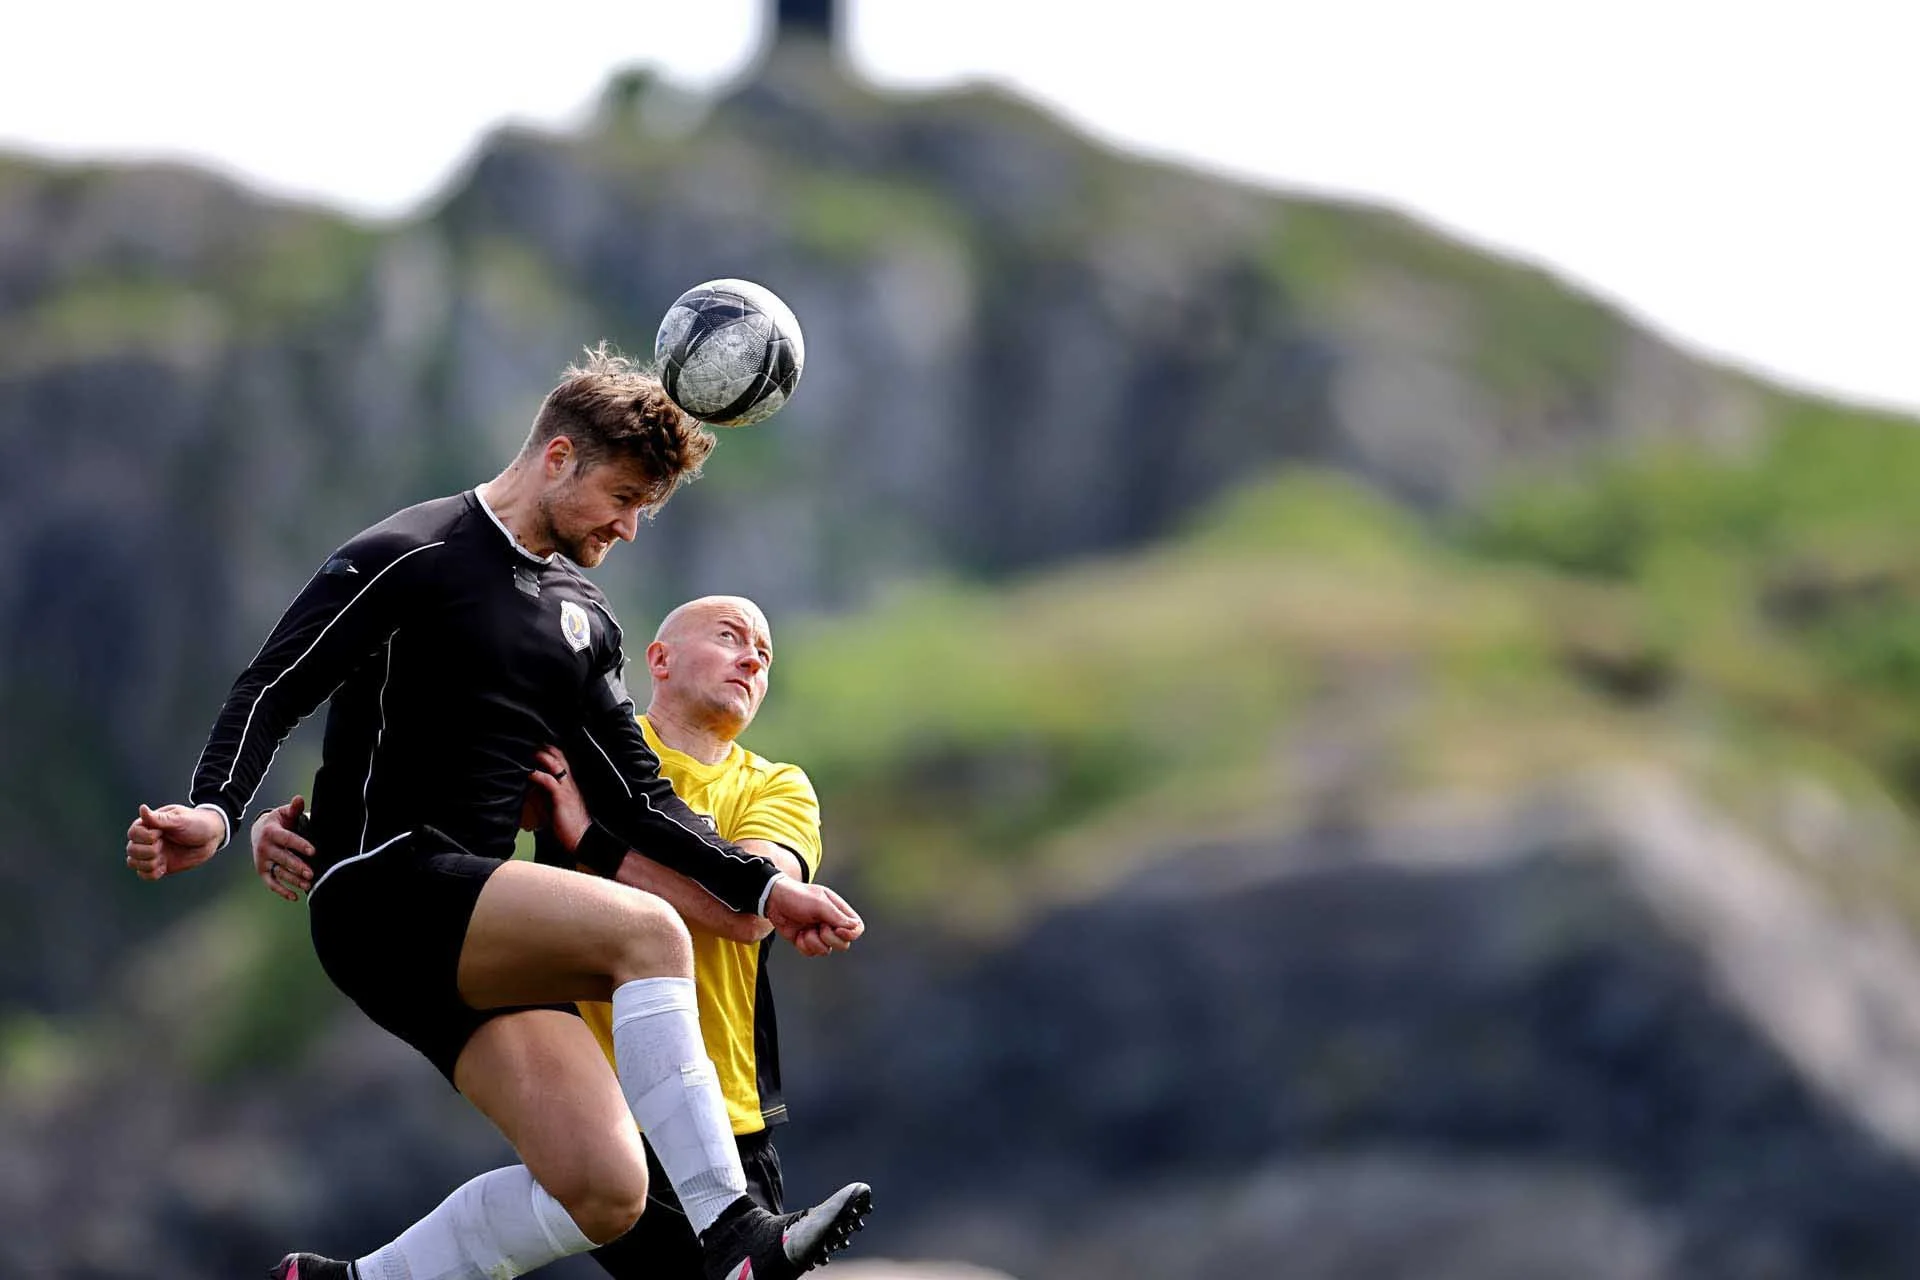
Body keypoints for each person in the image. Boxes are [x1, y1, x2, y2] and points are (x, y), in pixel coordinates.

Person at [124, 346, 872, 1280]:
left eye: (647, 507)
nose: (632, 528)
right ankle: (735, 1234)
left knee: (608, 1187)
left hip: (468, 933)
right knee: (649, 936)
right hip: (384, 891)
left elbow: (640, 799)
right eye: (626, 497)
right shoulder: (409, 553)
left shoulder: (583, 620)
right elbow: (274, 684)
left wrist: (766, 886)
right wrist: (217, 811)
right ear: (558, 458)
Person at [256, 594, 835, 1280]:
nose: (750, 659)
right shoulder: (577, 743)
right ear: (660, 659)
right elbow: (427, 795)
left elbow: (752, 909)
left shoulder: (778, 786)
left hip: (728, 1114)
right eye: (730, 637)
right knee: (667, 1229)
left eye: (763, 656)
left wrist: (593, 841)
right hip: (595, 1094)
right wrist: (298, 829)